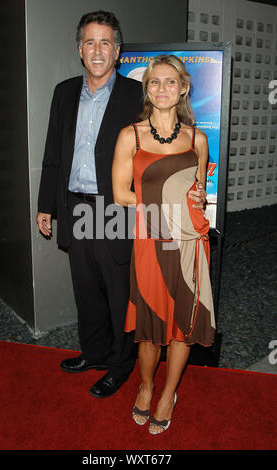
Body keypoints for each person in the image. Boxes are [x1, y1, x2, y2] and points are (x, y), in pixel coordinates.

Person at [37, 11, 207, 399]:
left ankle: (119, 365)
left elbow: (165, 143)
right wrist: (47, 204)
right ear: (80, 49)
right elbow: (53, 153)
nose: (98, 50)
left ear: (117, 51)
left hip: (119, 206)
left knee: (118, 290)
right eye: (90, 42)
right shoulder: (63, 92)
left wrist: (190, 188)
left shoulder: (136, 95)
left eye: (106, 42)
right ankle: (94, 353)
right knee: (86, 288)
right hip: (76, 205)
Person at [112, 54, 215, 432]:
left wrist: (198, 196)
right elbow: (121, 193)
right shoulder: (131, 136)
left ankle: (169, 392)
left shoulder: (198, 139)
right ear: (146, 88)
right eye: (155, 82)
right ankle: (146, 385)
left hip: (189, 242)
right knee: (152, 325)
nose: (162, 89)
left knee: (182, 326)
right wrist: (162, 203)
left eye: (170, 82)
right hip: (151, 240)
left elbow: (200, 191)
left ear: (183, 88)